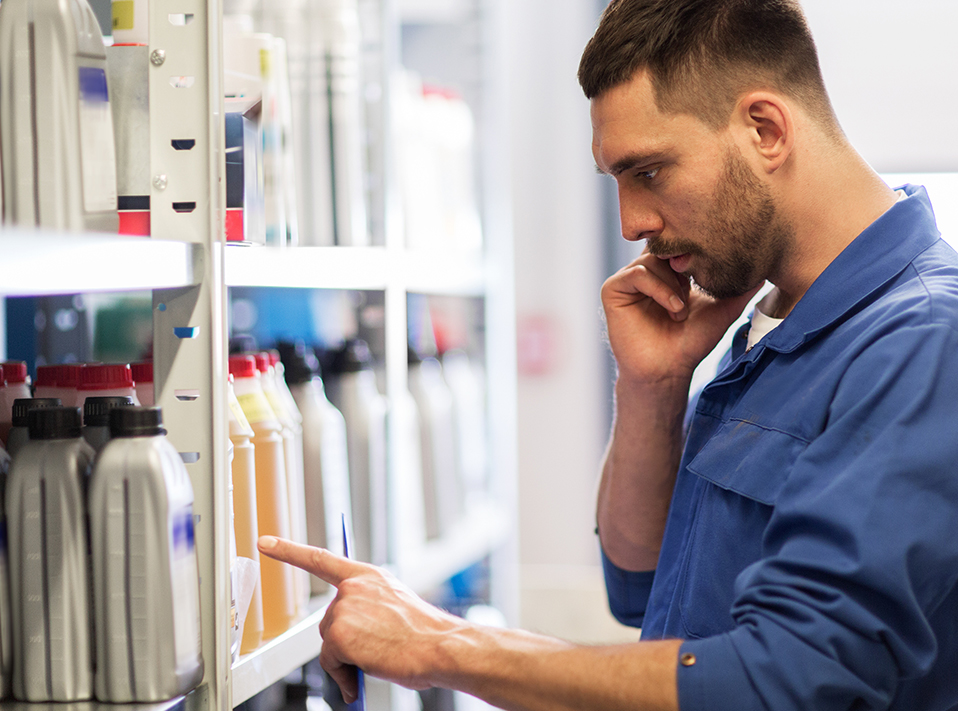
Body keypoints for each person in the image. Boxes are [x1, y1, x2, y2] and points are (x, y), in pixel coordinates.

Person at [260, 0, 958, 708]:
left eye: (649, 172)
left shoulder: (920, 341)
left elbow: (789, 680)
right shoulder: (773, 317)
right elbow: (641, 582)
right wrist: (651, 386)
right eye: (617, 183)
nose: (632, 224)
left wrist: (440, 644)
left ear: (765, 129)